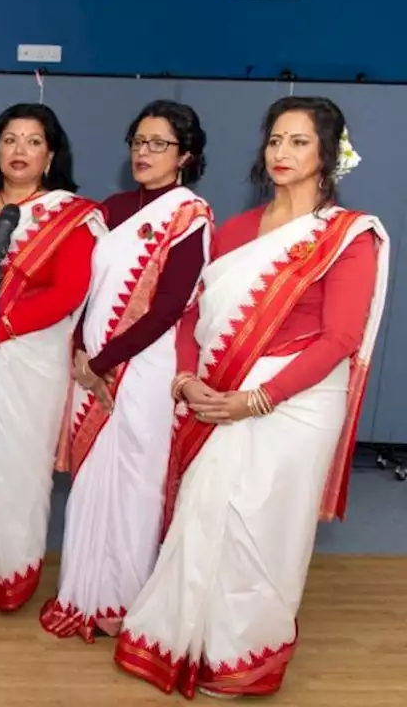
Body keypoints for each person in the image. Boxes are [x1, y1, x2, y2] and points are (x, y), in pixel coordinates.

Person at [115, 97, 388, 699]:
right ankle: (180, 641)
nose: (283, 153)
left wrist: (258, 398)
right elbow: (192, 316)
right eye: (275, 141)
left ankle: (239, 658)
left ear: (328, 155)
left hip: (297, 403)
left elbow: (341, 337)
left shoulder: (348, 237)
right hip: (216, 393)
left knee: (262, 528)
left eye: (299, 142)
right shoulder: (236, 231)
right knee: (203, 514)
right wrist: (187, 381)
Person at [41, 100, 214, 642]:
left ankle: (125, 602)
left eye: (159, 143)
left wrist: (102, 363)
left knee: (136, 485)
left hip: (143, 370)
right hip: (91, 366)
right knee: (93, 483)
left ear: (185, 154)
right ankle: (81, 593)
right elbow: (85, 293)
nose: (144, 152)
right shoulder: (112, 208)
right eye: (138, 141)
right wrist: (79, 353)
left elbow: (167, 308)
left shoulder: (190, 215)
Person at [0, 103, 106, 614]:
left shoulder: (73, 215)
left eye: (33, 141)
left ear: (50, 153)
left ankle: (5, 578)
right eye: (10, 139)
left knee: (17, 474)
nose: (20, 150)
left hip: (33, 361)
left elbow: (67, 292)